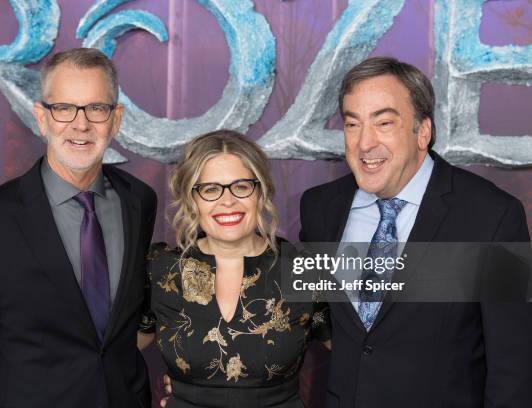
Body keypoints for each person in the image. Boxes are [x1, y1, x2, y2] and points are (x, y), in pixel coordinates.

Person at [299, 57, 531, 407]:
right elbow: (326, 320)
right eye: (352, 124)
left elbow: (513, 369)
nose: (364, 143)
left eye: (384, 123)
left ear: (423, 131)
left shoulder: (496, 217)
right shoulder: (319, 209)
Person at [0, 48, 157, 407]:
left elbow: (124, 326)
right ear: (42, 118)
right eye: (64, 108)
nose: (81, 124)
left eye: (97, 108)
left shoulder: (139, 200)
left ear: (116, 119)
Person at [138, 130, 330, 407]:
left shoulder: (302, 269)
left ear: (261, 191)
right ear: (193, 200)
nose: (227, 201)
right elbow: (111, 354)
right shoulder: (162, 269)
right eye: (211, 189)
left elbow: (365, 351)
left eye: (241, 186)